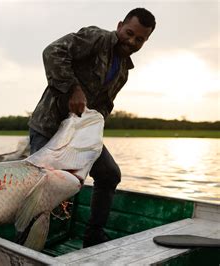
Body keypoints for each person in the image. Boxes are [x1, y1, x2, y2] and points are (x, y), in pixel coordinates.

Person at [28, 8, 155, 248]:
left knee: (109, 174)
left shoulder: (124, 70)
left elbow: (106, 105)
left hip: (80, 136)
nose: (132, 41)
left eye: (140, 39)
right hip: (49, 127)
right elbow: (52, 52)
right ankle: (24, 245)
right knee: (40, 190)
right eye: (129, 33)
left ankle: (93, 236)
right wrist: (72, 88)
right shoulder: (96, 38)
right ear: (119, 26)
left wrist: (93, 128)